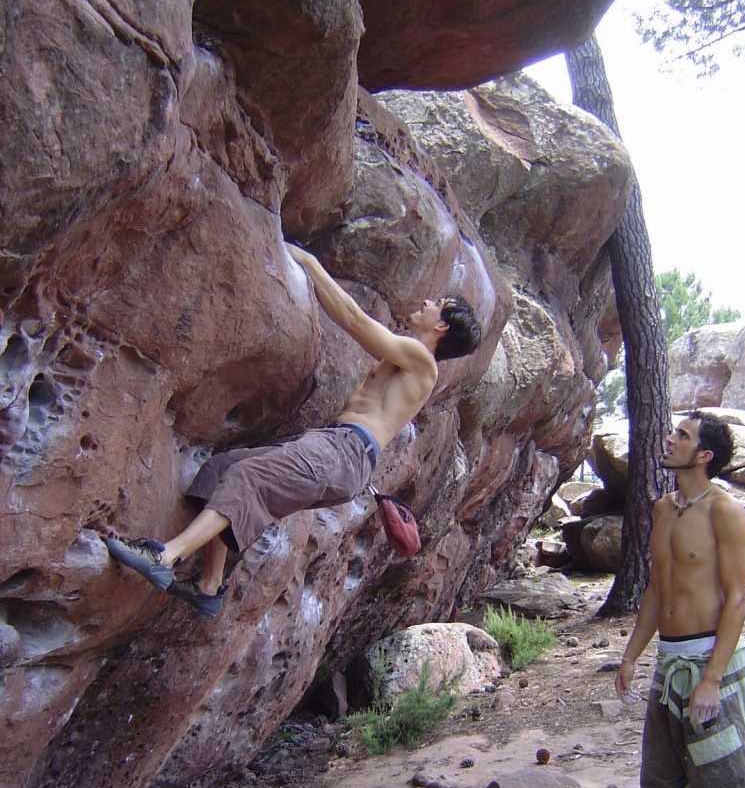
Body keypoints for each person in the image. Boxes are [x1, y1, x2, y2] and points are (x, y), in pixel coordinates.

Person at [106, 244, 481, 615]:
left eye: (436, 303)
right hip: (339, 451)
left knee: (250, 478)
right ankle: (208, 586)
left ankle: (165, 556)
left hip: (344, 452)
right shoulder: (408, 359)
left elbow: (354, 319)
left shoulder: (422, 360)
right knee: (223, 468)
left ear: (441, 325)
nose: (427, 301)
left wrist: (310, 262)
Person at [583, 410, 745, 788]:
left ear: (704, 455)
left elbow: (737, 600)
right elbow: (655, 590)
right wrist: (632, 654)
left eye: (681, 436)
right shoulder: (664, 508)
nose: (670, 438)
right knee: (660, 781)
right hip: (669, 665)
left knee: (731, 783)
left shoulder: (725, 512)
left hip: (715, 667)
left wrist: (711, 678)